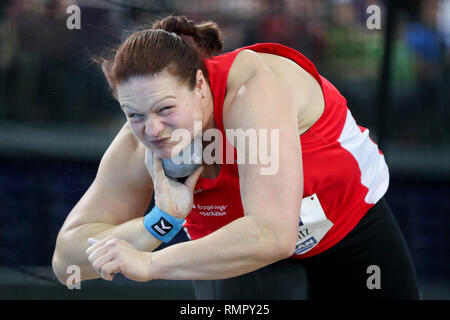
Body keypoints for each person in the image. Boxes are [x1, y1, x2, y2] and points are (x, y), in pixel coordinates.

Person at [52, 15, 420, 299]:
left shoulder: (253, 90)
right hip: (239, 255)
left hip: (346, 224)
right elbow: (67, 260)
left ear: (199, 85)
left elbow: (274, 233)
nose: (153, 130)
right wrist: (159, 222)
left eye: (165, 108)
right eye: (133, 115)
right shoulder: (139, 142)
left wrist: (149, 262)